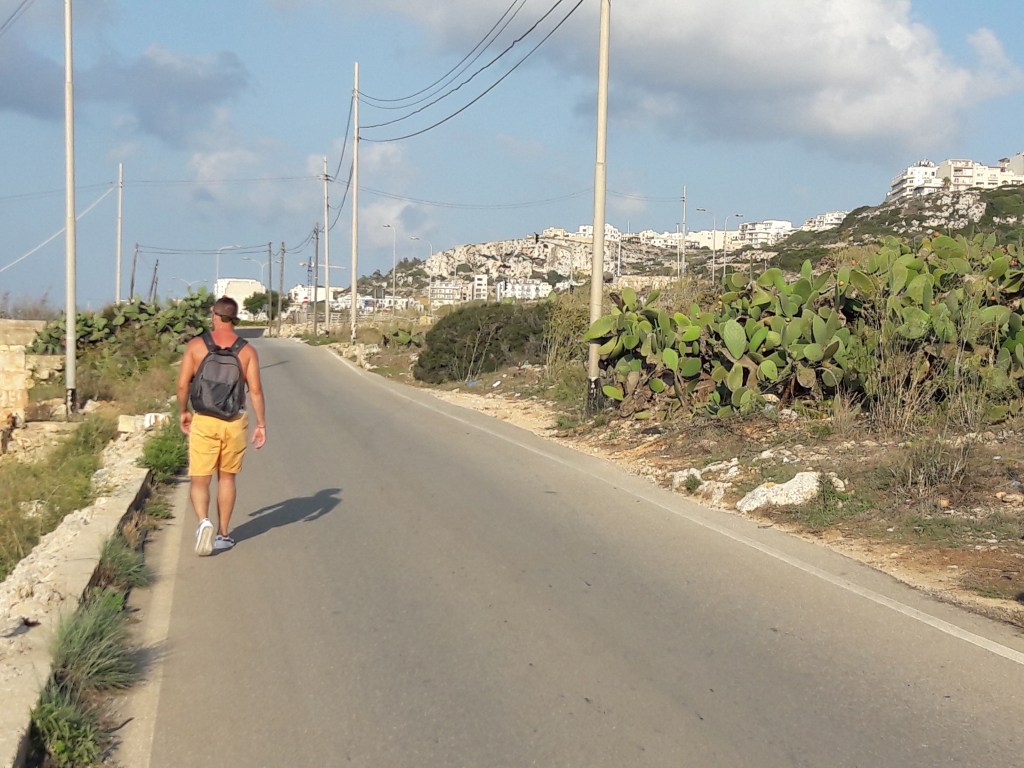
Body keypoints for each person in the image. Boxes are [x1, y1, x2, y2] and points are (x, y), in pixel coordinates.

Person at [176, 296, 267, 556]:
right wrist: (261, 424)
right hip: (234, 421)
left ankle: (203, 521)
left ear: (214, 316)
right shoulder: (247, 351)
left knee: (200, 479)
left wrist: (183, 411)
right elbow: (255, 391)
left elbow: (182, 385)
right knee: (227, 478)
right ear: (234, 319)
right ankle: (223, 534)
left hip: (204, 419)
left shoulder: (196, 345)